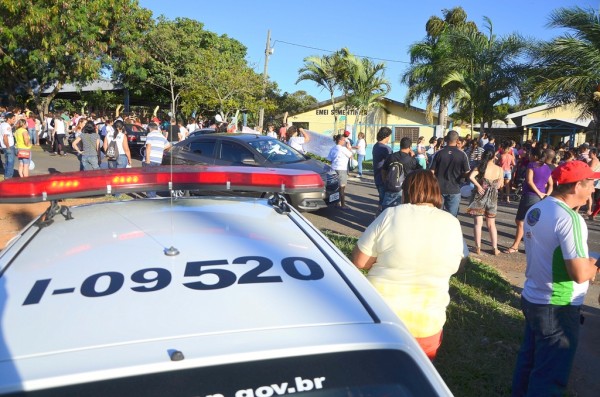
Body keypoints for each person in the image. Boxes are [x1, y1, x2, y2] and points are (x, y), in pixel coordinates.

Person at [352, 170, 465, 360]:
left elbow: (360, 261)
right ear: (437, 193)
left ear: (406, 192)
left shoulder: (390, 214)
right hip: (427, 326)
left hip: (381, 319)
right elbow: (459, 264)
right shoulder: (452, 223)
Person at [511, 160, 600, 396]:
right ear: (576, 186)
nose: (594, 189)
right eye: (591, 183)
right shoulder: (570, 219)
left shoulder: (538, 208)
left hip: (533, 296)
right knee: (549, 377)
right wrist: (596, 263)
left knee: (528, 364)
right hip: (557, 305)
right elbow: (580, 274)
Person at [504, 147, 553, 254]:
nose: (529, 156)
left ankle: (515, 245)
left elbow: (530, 181)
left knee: (520, 221)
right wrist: (545, 195)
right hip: (541, 198)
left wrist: (539, 193)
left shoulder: (532, 165)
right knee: (533, 223)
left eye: (531, 154)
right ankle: (530, 246)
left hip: (530, 196)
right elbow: (551, 184)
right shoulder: (547, 167)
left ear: (535, 156)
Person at [467, 149, 504, 255]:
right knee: (492, 224)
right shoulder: (499, 169)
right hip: (492, 197)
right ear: (493, 157)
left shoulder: (481, 167)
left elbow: (471, 177)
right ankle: (495, 248)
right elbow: (500, 185)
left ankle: (477, 247)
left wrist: (479, 186)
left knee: (478, 223)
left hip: (480, 196)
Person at [430, 130, 471, 217]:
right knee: (452, 218)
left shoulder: (438, 153)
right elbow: (467, 173)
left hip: (438, 189)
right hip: (454, 189)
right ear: (457, 141)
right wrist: (461, 176)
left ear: (446, 139)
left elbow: (431, 172)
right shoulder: (462, 155)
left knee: (437, 216)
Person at [381, 137, 422, 209]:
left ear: (400, 145)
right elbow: (420, 171)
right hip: (404, 189)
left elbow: (383, 170)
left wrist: (385, 181)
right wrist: (413, 157)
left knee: (387, 211)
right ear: (410, 147)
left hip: (390, 187)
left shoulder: (391, 157)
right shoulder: (412, 160)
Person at [144, 122, 171, 198]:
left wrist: (147, 160)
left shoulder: (150, 135)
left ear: (149, 128)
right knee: (155, 178)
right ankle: (153, 195)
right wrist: (161, 149)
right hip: (158, 160)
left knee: (149, 179)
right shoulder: (161, 136)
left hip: (151, 159)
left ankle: (150, 196)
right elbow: (169, 145)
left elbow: (148, 147)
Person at [327, 133, 353, 210]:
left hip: (333, 168)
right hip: (342, 169)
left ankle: (336, 202)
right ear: (340, 140)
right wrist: (349, 148)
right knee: (342, 187)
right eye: (344, 140)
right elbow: (351, 156)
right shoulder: (343, 149)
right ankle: (343, 204)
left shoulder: (333, 148)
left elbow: (329, 159)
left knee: (335, 186)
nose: (345, 141)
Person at [372, 127, 393, 213]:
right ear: (386, 136)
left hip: (377, 176)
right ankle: (381, 220)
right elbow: (393, 162)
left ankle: (378, 217)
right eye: (389, 136)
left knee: (381, 200)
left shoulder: (376, 146)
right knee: (386, 202)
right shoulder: (386, 149)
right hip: (384, 178)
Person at [1, 112, 17, 179]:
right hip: (8, 146)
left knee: (7, 161)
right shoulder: (7, 126)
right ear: (8, 119)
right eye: (13, 119)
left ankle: (7, 175)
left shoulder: (3, 124)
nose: (14, 120)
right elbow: (5, 137)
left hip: (5, 146)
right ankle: (8, 176)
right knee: (11, 162)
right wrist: (8, 147)